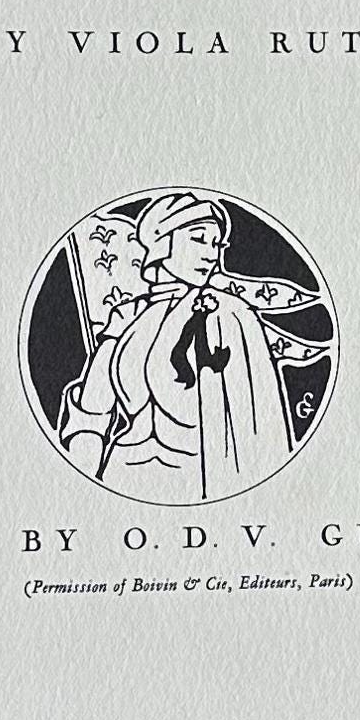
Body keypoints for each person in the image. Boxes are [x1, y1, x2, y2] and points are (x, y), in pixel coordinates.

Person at [58, 191, 324, 503]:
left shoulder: (231, 315)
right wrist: (79, 490)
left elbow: (258, 426)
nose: (211, 255)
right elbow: (91, 415)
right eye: (198, 239)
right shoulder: (125, 317)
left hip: (203, 484)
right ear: (162, 242)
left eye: (216, 244)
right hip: (119, 478)